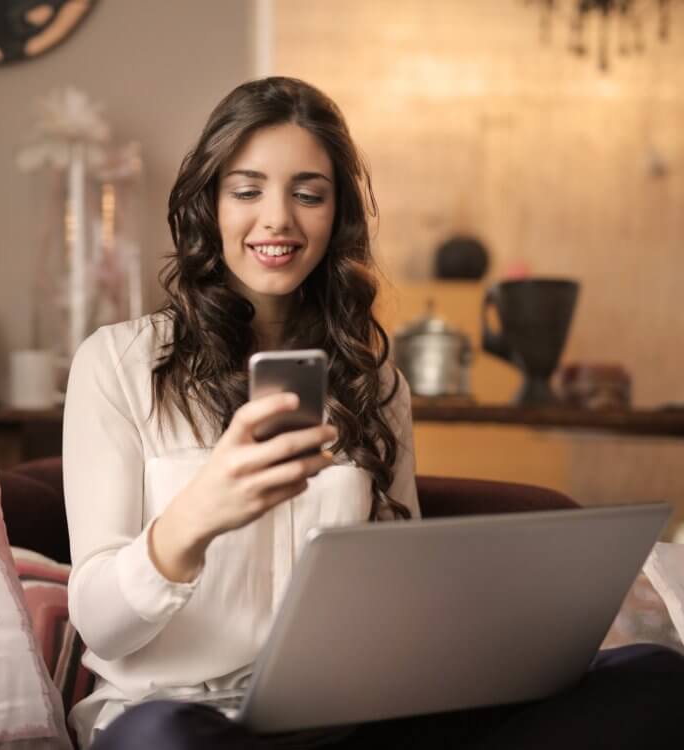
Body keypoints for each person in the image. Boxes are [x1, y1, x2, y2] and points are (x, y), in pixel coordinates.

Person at [62, 77, 684, 750]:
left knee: (657, 679)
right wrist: (195, 516)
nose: (278, 219)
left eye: (308, 193)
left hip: (343, 722)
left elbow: (398, 592)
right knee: (161, 741)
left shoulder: (372, 382)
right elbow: (101, 624)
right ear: (207, 204)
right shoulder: (119, 365)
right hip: (179, 716)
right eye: (247, 191)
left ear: (337, 215)